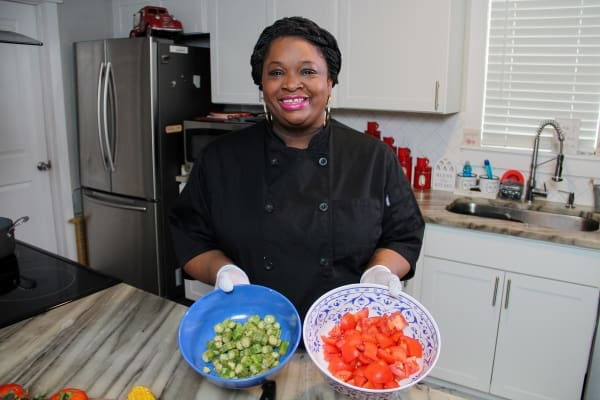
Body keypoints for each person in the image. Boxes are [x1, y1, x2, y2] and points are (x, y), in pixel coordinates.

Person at [169, 16, 425, 319]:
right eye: (276, 72)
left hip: (344, 330)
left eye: (308, 71)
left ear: (329, 82)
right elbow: (190, 236)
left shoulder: (373, 157)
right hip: (251, 325)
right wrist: (222, 269)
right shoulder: (220, 158)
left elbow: (403, 234)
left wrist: (380, 270)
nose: (291, 83)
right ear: (261, 85)